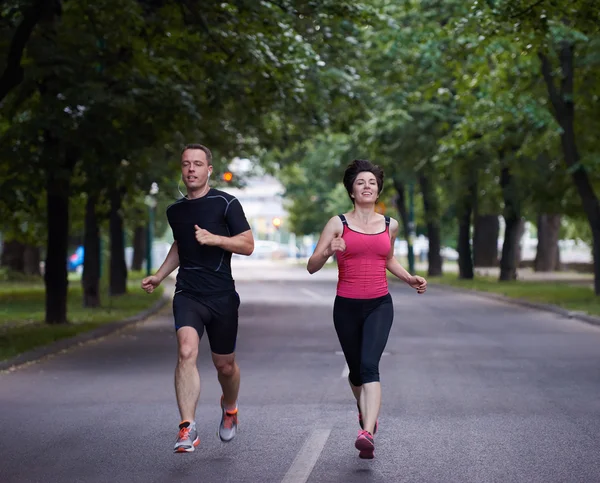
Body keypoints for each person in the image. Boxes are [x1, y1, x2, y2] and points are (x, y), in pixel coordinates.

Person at [307, 159, 427, 460]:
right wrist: (328, 250)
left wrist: (409, 278)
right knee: (357, 373)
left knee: (370, 365)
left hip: (379, 304)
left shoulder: (390, 225)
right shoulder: (338, 224)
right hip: (346, 306)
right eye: (361, 182)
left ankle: (367, 431)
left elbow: (387, 260)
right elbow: (312, 266)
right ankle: (366, 414)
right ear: (352, 191)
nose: (367, 187)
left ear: (378, 189)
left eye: (372, 182)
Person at [141, 143, 254, 453]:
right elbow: (180, 246)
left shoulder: (226, 204)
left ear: (209, 170)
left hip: (221, 296)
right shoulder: (175, 211)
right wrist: (159, 276)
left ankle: (230, 408)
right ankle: (186, 427)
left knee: (225, 366)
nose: (191, 169)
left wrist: (214, 238)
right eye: (186, 164)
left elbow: (247, 244)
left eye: (197, 164)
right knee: (186, 351)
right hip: (188, 293)